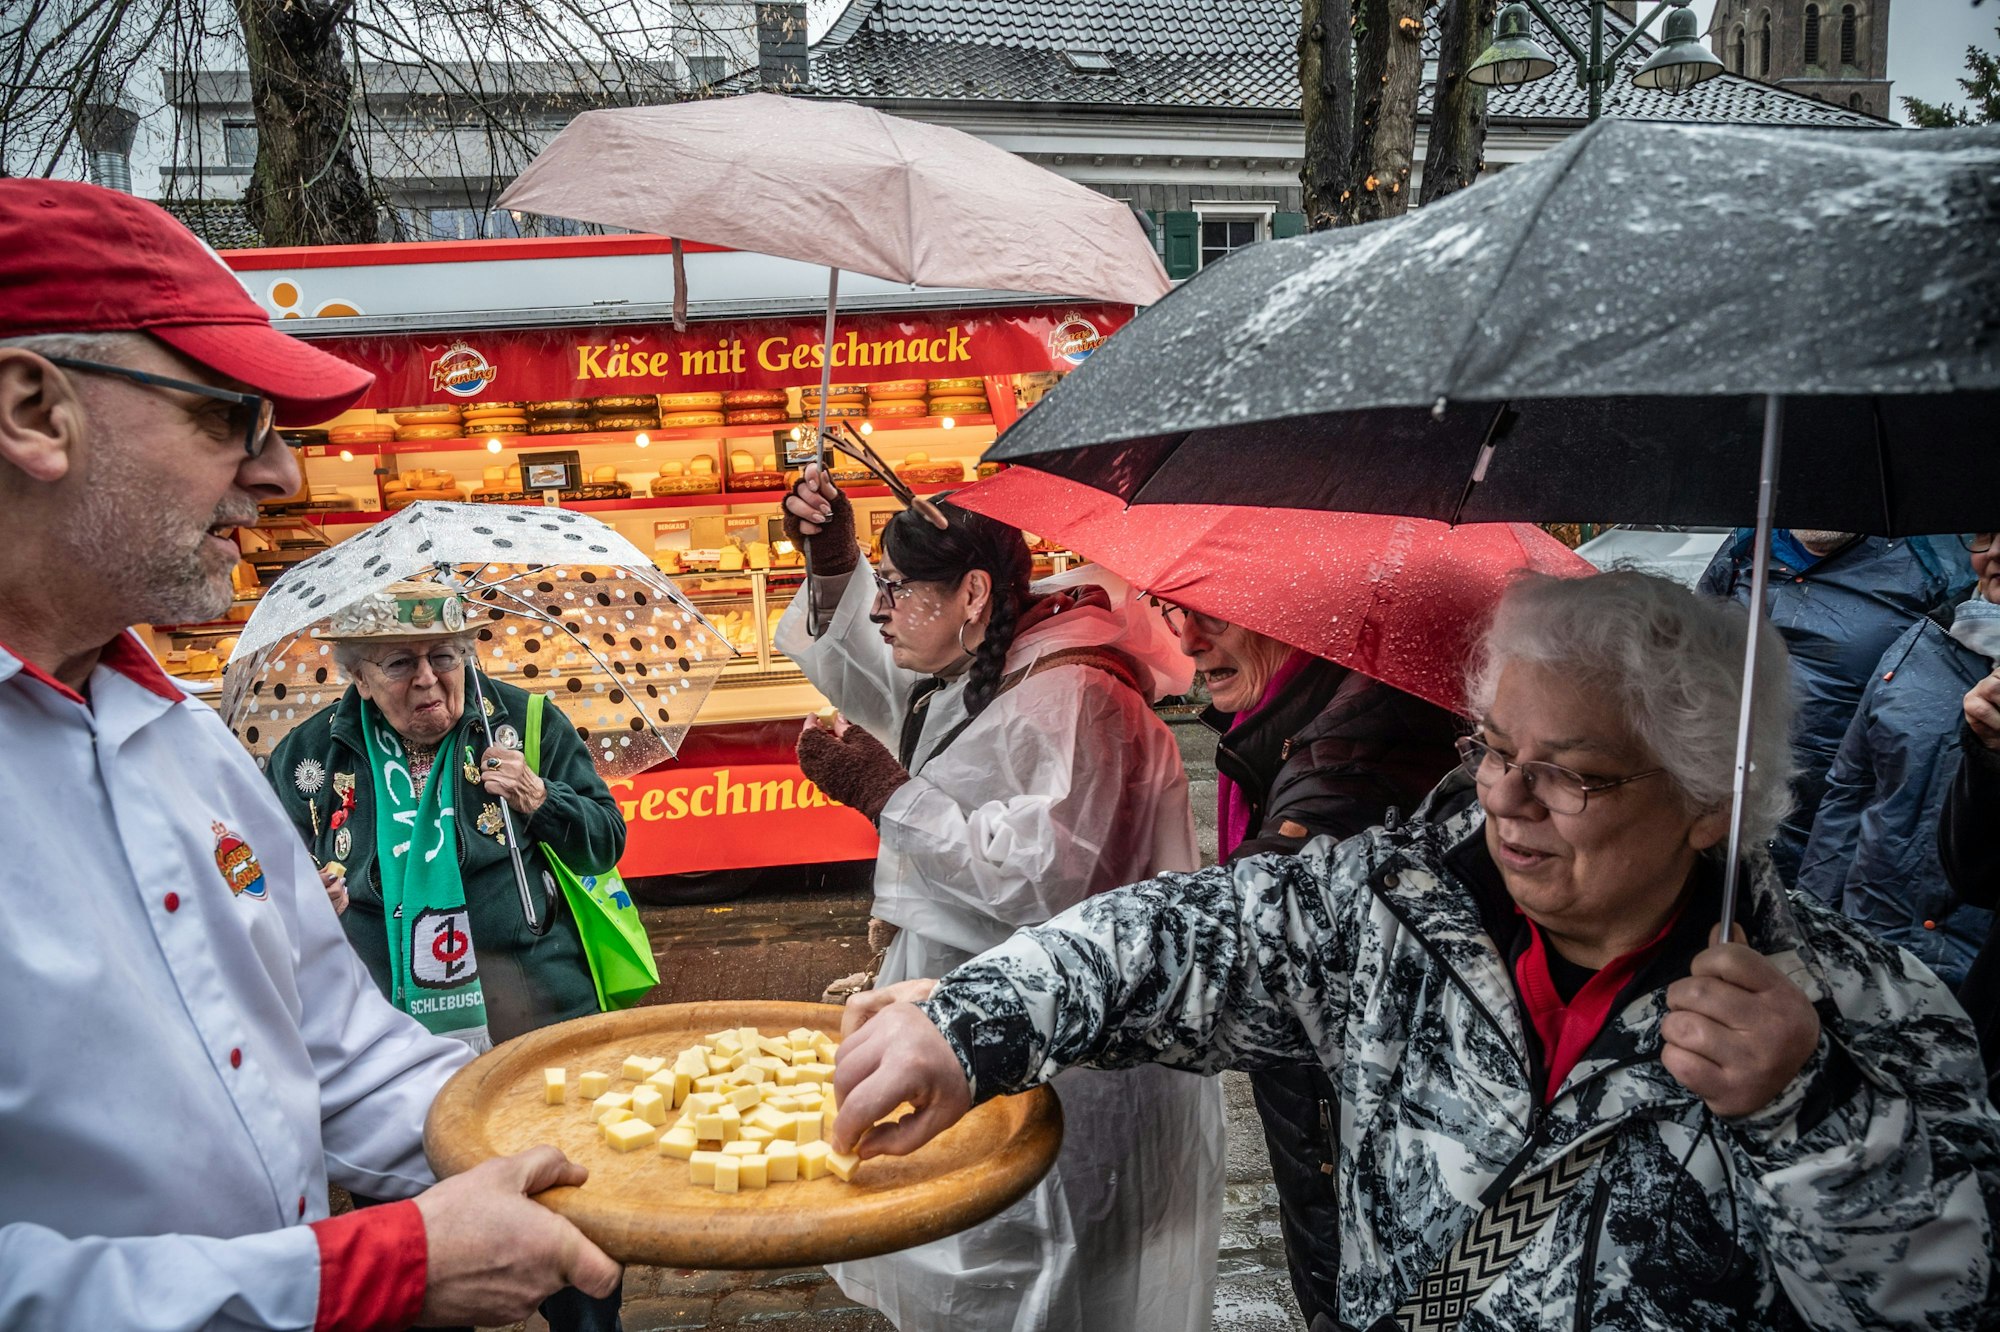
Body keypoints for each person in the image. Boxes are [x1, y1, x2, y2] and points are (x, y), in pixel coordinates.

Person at [831, 572, 2000, 1332]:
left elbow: (1937, 1298)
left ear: (1708, 800)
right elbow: (1185, 935)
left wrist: (1812, 1111)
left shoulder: (1866, 1012)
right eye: (1493, 747)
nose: (1507, 799)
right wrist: (973, 1018)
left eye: (1572, 772)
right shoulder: (1394, 905)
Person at [0, 178, 619, 1330]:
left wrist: (618, 1143)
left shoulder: (183, 743)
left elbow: (336, 1056)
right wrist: (365, 1276)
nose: (279, 475)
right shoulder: (273, 753)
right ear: (35, 410)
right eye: (227, 415)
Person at [776, 465, 1224, 1332]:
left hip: (1075, 1069)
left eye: (896, 589)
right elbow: (893, 679)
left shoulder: (1080, 694)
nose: (882, 609)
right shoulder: (1000, 653)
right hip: (982, 1030)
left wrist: (888, 794)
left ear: (973, 592)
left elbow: (1044, 884)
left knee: (1055, 1278)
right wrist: (834, 563)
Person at [1170, 601, 1459, 1327]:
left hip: (1341, 1115)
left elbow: (1231, 946)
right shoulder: (1300, 719)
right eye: (1172, 611)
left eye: (1215, 613)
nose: (1189, 640)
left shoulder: (1344, 756)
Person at [1698, 527, 1968, 883]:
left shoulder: (1936, 560)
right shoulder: (1744, 546)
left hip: (1847, 821)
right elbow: (1692, 655)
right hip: (1735, 806)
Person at [1799, 532, 1999, 986]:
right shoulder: (1922, 644)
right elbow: (1851, 790)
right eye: (1987, 532)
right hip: (1870, 956)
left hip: (1978, 986)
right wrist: (1810, 926)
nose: (1995, 552)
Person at [1941, 534, 2000, 1078]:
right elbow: (1978, 877)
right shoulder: (1929, 636)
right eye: (1987, 532)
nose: (1994, 555)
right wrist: (1989, 755)